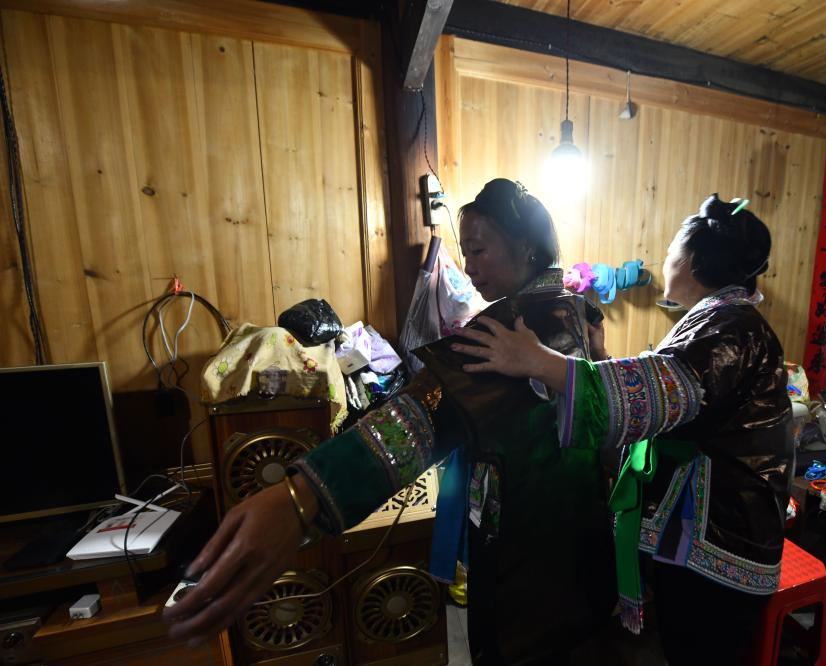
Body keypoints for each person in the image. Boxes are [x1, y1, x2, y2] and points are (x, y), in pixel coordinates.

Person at [164, 178, 616, 665]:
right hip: (586, 549)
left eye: (479, 250)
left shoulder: (503, 332)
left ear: (524, 245)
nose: (469, 267)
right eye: (466, 252)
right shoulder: (577, 311)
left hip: (528, 570)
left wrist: (301, 498)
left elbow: (412, 423)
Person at [452, 193, 793, 664]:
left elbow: (660, 391)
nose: (470, 265)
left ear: (692, 260)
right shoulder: (715, 317)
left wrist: (537, 360)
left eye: (672, 246)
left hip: (723, 541)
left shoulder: (731, 324)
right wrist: (600, 358)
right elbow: (664, 404)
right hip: (703, 538)